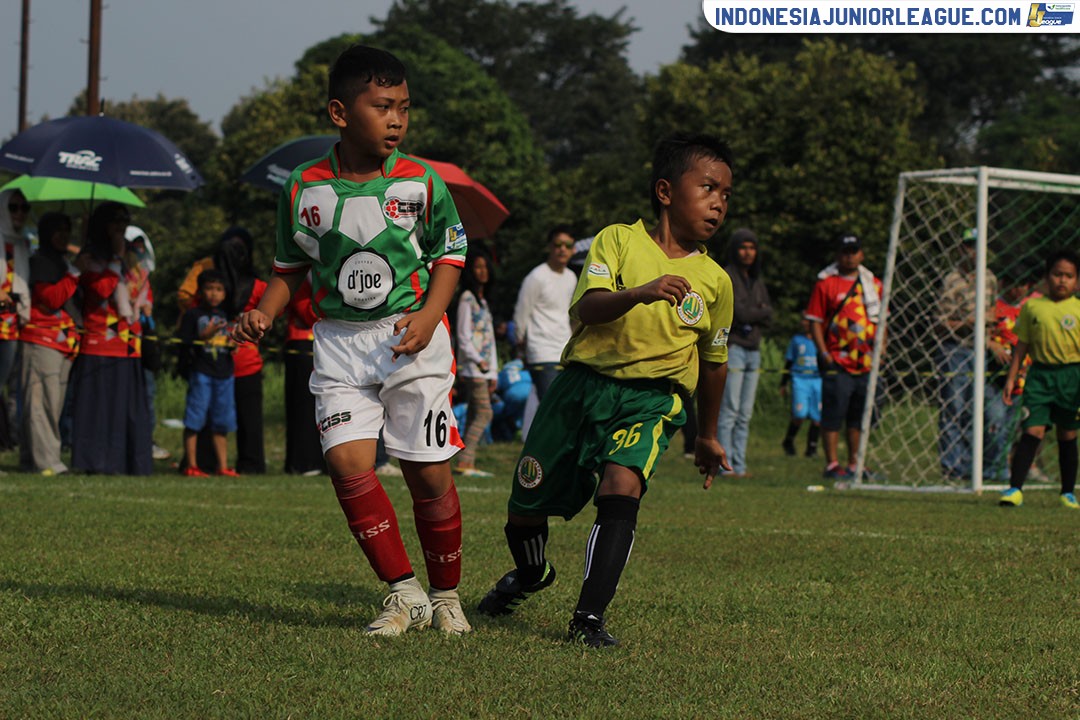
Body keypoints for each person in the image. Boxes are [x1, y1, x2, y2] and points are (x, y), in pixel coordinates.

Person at [233, 45, 471, 635]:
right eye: (383, 106)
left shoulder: (421, 181)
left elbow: (452, 254)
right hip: (339, 342)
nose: (397, 119)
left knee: (428, 475)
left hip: (411, 339)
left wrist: (428, 315)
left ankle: (447, 596)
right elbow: (289, 267)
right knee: (346, 462)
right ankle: (404, 593)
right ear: (341, 112)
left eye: (405, 108)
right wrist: (263, 311)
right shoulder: (302, 187)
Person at [476, 132, 735, 648]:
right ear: (665, 191)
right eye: (708, 187)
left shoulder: (715, 281)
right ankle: (530, 575)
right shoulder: (617, 239)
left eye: (726, 194)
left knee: (622, 487)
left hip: (652, 399)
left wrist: (707, 435)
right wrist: (640, 293)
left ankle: (588, 619)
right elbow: (588, 307)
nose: (718, 202)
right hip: (580, 388)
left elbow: (713, 363)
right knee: (525, 506)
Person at [70, 202, 152, 475]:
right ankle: (95, 462)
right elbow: (101, 289)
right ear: (102, 224)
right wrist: (115, 258)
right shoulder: (90, 256)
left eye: (124, 220)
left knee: (126, 411)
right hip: (99, 343)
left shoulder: (134, 257)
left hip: (129, 343)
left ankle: (129, 463)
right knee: (99, 409)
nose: (121, 226)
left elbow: (142, 291)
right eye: (115, 221)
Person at [179, 226, 268, 474]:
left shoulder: (207, 279)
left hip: (218, 362)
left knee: (209, 417)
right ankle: (246, 465)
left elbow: (184, 297)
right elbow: (272, 313)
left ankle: (204, 463)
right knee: (237, 419)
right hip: (239, 359)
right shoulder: (258, 286)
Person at [999, 249, 1080, 510]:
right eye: (1057, 275)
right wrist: (1012, 378)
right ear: (1046, 277)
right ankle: (1015, 489)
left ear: (1076, 281)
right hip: (1040, 376)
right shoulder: (1032, 307)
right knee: (1031, 429)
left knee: (1067, 434)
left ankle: (1067, 492)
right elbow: (1021, 345)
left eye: (1068, 276)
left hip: (1071, 377)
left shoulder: (1078, 308)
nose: (1062, 281)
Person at [805, 233, 883, 481]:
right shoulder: (826, 284)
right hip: (837, 362)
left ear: (861, 254)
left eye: (854, 251)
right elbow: (815, 321)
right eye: (845, 251)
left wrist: (881, 352)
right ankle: (832, 464)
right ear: (838, 254)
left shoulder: (874, 285)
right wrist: (824, 353)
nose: (850, 256)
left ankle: (854, 464)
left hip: (866, 362)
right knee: (833, 414)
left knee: (858, 417)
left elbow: (881, 321)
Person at [935, 227, 999, 480]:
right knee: (954, 407)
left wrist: (990, 329)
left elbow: (993, 313)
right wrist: (968, 323)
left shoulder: (989, 278)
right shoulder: (951, 280)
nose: (973, 251)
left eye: (977, 245)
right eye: (968, 246)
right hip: (955, 349)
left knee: (978, 410)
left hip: (981, 349)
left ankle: (973, 465)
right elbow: (940, 322)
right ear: (961, 249)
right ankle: (952, 465)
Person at [19, 212, 79, 475]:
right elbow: (51, 298)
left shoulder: (62, 261)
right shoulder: (41, 261)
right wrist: (74, 275)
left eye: (67, 229)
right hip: (40, 339)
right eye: (58, 230)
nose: (64, 236)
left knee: (52, 404)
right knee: (41, 403)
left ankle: (34, 460)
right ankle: (47, 462)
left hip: (62, 343)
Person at [716, 228, 772, 476]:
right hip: (734, 347)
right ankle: (724, 465)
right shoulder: (727, 276)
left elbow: (770, 315)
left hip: (754, 349)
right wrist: (756, 312)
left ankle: (740, 464)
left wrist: (754, 312)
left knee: (745, 413)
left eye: (752, 247)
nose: (748, 252)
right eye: (743, 247)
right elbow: (739, 313)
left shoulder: (756, 280)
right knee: (730, 408)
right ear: (734, 249)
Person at [178, 269, 238, 477]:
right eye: (209, 289)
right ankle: (191, 465)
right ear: (200, 291)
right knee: (195, 418)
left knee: (222, 421)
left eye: (219, 290)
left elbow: (229, 343)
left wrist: (232, 345)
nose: (214, 294)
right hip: (201, 372)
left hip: (224, 373)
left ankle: (222, 466)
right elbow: (184, 342)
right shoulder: (193, 315)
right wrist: (205, 334)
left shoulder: (224, 316)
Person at [983, 266, 1037, 481]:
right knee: (994, 421)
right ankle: (991, 469)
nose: (1017, 290)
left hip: (1023, 377)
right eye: (1013, 284)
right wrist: (992, 346)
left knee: (1013, 427)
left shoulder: (1033, 306)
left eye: (1022, 285)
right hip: (995, 377)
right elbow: (981, 332)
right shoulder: (993, 306)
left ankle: (1005, 469)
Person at [512, 226, 578, 400]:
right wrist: (521, 344)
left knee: (565, 409)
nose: (562, 249)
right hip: (541, 352)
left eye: (568, 245)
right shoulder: (536, 277)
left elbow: (570, 314)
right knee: (551, 409)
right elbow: (521, 313)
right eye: (558, 244)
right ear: (549, 247)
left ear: (574, 249)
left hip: (564, 352)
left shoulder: (571, 277)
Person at [124, 225, 170, 462]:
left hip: (143, 342)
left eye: (140, 246)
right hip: (124, 342)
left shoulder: (144, 277)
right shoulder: (119, 273)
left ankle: (146, 440)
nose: (137, 251)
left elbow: (147, 306)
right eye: (133, 247)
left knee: (148, 392)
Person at [454, 248, 498, 478]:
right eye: (477, 267)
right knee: (484, 413)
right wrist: (479, 362)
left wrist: (493, 372)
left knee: (474, 413)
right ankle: (465, 460)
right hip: (473, 366)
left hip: (484, 368)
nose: (482, 271)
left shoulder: (483, 301)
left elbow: (488, 337)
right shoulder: (466, 299)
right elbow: (462, 335)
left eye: (485, 267)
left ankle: (465, 460)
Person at [283, 273, 326, 476]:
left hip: (328, 343)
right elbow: (307, 313)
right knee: (303, 406)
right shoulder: (301, 277)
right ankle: (305, 461)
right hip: (303, 344)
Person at [0, 189, 32, 449]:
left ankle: (8, 437)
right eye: (13, 207)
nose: (19, 213)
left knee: (11, 388)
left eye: (24, 207)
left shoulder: (22, 244)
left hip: (14, 324)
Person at [779, 317, 821, 458]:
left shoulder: (821, 340)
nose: (804, 323)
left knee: (817, 416)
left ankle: (812, 447)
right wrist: (783, 383)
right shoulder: (797, 340)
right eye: (803, 320)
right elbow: (789, 362)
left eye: (808, 321)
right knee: (800, 414)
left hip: (817, 380)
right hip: (800, 379)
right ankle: (788, 441)